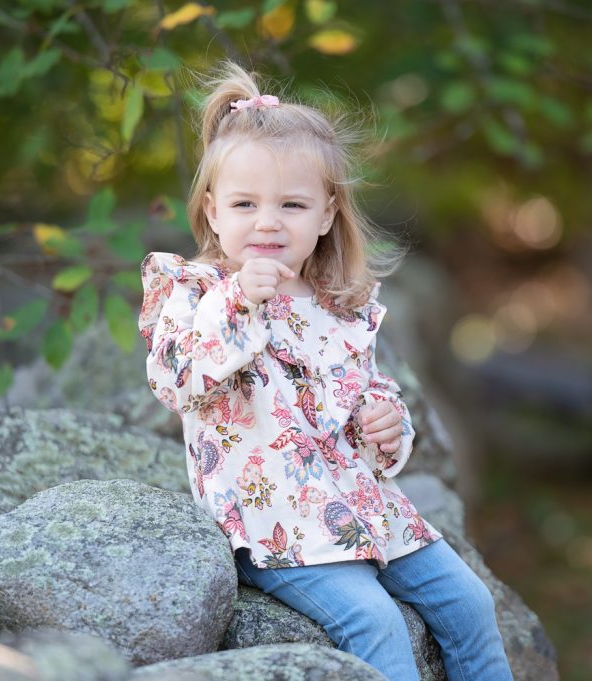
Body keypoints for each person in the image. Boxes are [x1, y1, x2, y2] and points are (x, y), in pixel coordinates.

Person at [138, 61, 514, 681]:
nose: (267, 222)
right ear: (211, 210)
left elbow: (364, 394)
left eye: (291, 204)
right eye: (244, 203)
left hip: (363, 507)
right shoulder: (194, 290)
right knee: (375, 622)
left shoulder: (337, 302)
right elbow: (176, 379)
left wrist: (386, 427)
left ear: (326, 213)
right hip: (276, 525)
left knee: (469, 602)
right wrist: (239, 301)